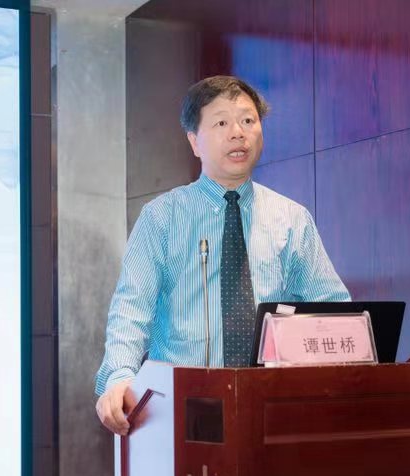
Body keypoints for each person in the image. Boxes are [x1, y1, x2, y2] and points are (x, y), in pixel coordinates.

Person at [95, 75, 350, 435]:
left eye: (248, 120)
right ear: (193, 141)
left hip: (276, 409)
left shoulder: (292, 219)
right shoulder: (162, 217)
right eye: (221, 123)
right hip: (182, 411)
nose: (238, 133)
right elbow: (131, 311)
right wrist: (119, 376)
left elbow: (333, 311)